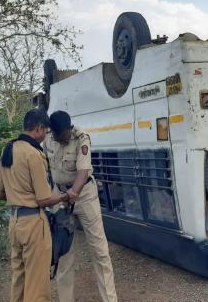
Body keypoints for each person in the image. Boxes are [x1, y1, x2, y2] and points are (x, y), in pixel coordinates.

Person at [43, 110, 117, 302]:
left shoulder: (81, 138)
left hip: (83, 196)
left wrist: (73, 194)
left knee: (100, 251)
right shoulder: (49, 139)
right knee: (64, 253)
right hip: (60, 197)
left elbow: (83, 171)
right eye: (57, 137)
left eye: (63, 137)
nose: (60, 141)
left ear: (69, 129)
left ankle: (110, 299)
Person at [0, 109, 68, 302]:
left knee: (19, 279)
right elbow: (44, 199)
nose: (46, 136)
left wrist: (18, 197)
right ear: (38, 128)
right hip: (33, 223)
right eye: (46, 131)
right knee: (37, 284)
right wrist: (64, 197)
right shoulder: (34, 154)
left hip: (14, 223)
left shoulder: (7, 149)